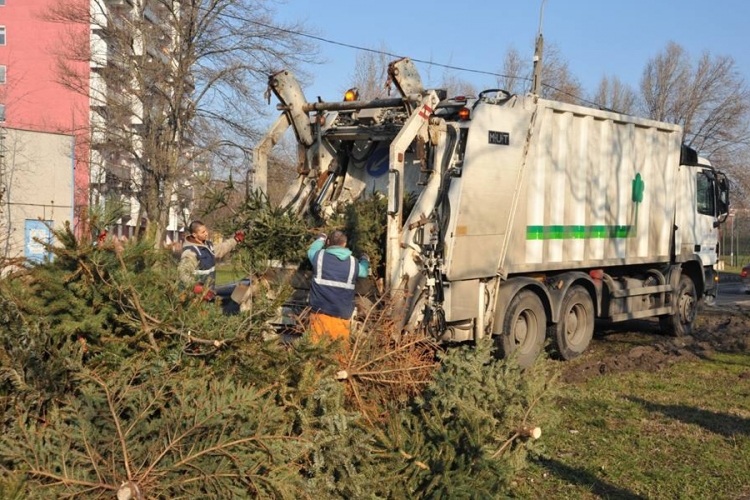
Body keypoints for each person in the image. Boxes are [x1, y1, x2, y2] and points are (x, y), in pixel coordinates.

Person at [307, 230, 370, 347]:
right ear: (345, 244)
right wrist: (365, 260)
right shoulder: (353, 263)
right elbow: (364, 272)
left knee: (313, 353)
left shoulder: (319, 257)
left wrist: (321, 238)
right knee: (338, 355)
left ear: (328, 242)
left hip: (319, 315)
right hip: (342, 318)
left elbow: (311, 250)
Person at [178, 220, 245, 308]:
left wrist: (235, 240)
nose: (206, 233)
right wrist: (197, 288)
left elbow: (221, 249)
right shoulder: (190, 252)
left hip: (207, 295)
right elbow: (183, 274)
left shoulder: (207, 246)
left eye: (206, 230)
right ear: (194, 235)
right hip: (194, 299)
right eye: (203, 232)